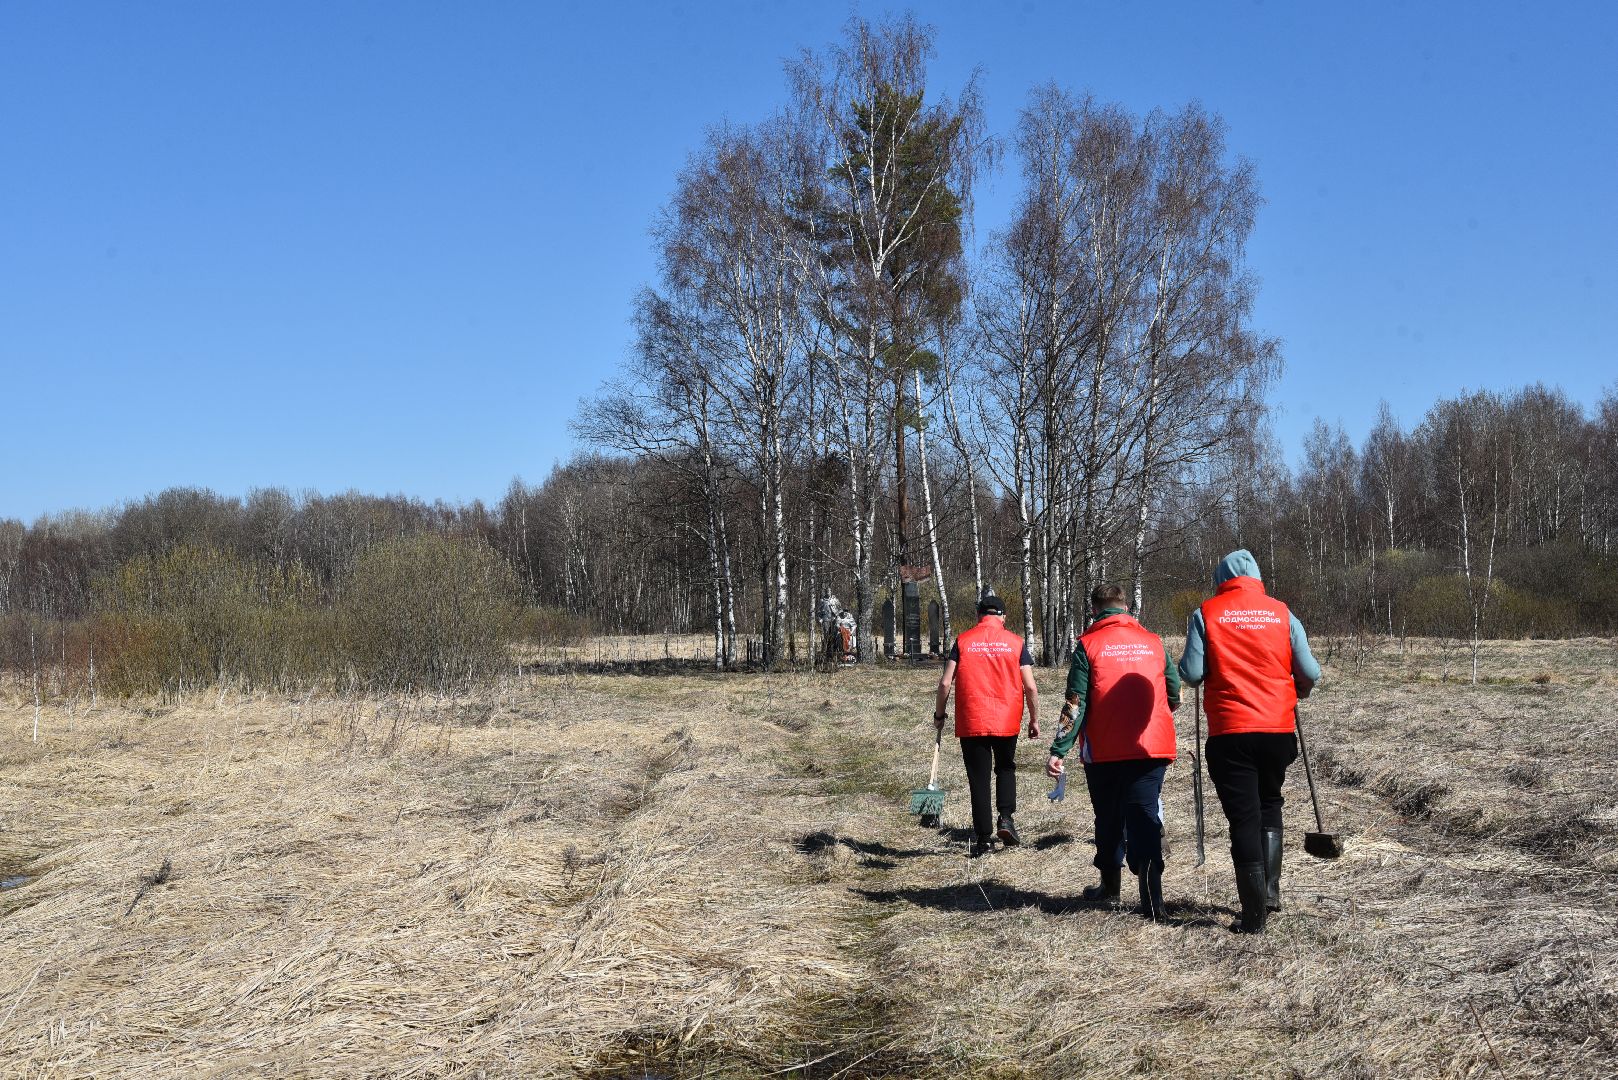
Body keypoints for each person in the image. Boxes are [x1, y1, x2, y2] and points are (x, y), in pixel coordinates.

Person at [1179, 549, 1322, 934]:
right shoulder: (1282, 613)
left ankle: (1254, 915)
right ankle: (1270, 893)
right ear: (1257, 577)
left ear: (1221, 579)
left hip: (1231, 732)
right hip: (1277, 730)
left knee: (1244, 817)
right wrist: (1299, 688)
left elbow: (1191, 673)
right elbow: (1310, 671)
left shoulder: (1206, 613)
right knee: (1270, 802)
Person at [1046, 584, 1181, 919]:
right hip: (1150, 747)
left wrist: (1059, 748)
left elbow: (1075, 703)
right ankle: (1153, 901)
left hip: (1105, 750)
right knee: (1145, 816)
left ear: (1095, 610)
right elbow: (1174, 692)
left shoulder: (1088, 645)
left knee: (1108, 817)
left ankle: (1110, 886)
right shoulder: (1153, 642)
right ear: (1126, 607)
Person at [933, 594, 1040, 856]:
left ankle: (983, 838)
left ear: (979, 615)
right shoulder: (1016, 643)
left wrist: (939, 714)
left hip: (973, 719)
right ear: (1003, 617)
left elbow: (945, 683)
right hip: (1006, 718)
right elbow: (1030, 686)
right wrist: (1034, 718)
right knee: (1005, 767)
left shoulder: (963, 641)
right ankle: (1006, 819)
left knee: (978, 778)